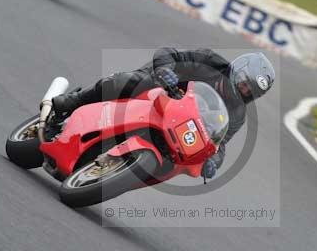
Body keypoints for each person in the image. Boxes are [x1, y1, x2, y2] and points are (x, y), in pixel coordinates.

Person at [51, 48, 276, 179]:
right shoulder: (211, 61)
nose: (244, 91)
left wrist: (213, 162)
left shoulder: (237, 114)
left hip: (179, 126)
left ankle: (118, 172)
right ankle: (73, 101)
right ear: (238, 70)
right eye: (246, 84)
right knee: (127, 82)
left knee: (179, 162)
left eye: (251, 92)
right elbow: (170, 53)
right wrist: (165, 70)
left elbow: (221, 142)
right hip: (161, 88)